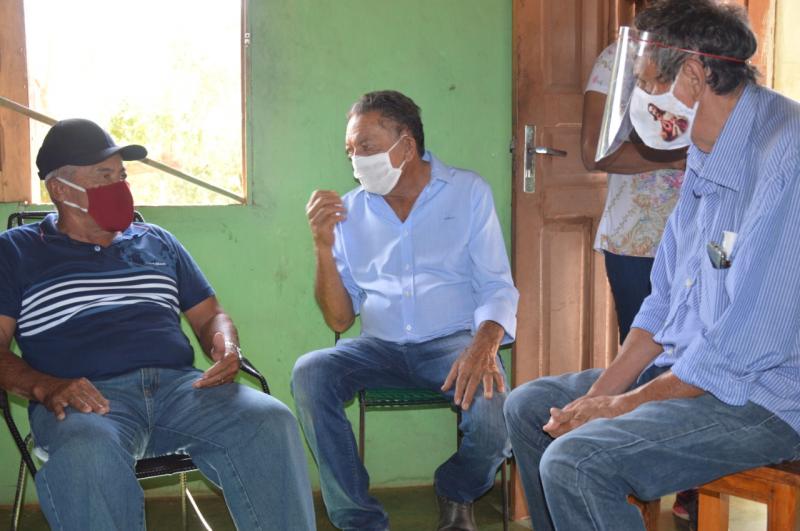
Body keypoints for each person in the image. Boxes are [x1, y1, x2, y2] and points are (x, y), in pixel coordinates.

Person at [505, 1, 800, 530]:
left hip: (768, 398)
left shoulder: (787, 154)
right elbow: (664, 301)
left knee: (578, 460)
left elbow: (747, 345)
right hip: (699, 376)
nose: (638, 100)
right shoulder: (707, 148)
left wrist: (621, 406)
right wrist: (595, 400)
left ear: (692, 74)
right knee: (531, 408)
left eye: (644, 83)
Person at [0, 118, 316, 530]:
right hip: (87, 402)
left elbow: (210, 316)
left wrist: (226, 345)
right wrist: (46, 385)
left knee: (269, 421)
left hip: (182, 390)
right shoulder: (16, 252)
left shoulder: (157, 240)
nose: (120, 186)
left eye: (122, 175)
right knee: (87, 453)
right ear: (60, 189)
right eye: (104, 175)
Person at [293, 90, 518, 531]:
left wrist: (485, 344)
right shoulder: (350, 211)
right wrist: (323, 246)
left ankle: (455, 489)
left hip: (452, 345)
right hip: (377, 348)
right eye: (350, 151)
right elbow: (340, 320)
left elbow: (496, 284)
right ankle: (358, 519)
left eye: (367, 147)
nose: (356, 160)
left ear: (407, 146)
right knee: (310, 371)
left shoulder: (468, 192)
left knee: (495, 415)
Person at [580, 25, 695, 523]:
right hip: (637, 239)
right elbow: (595, 152)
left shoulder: (706, 65)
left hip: (703, 241)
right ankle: (635, 481)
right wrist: (681, 153)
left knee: (697, 363)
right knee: (643, 361)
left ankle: (693, 485)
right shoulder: (617, 62)